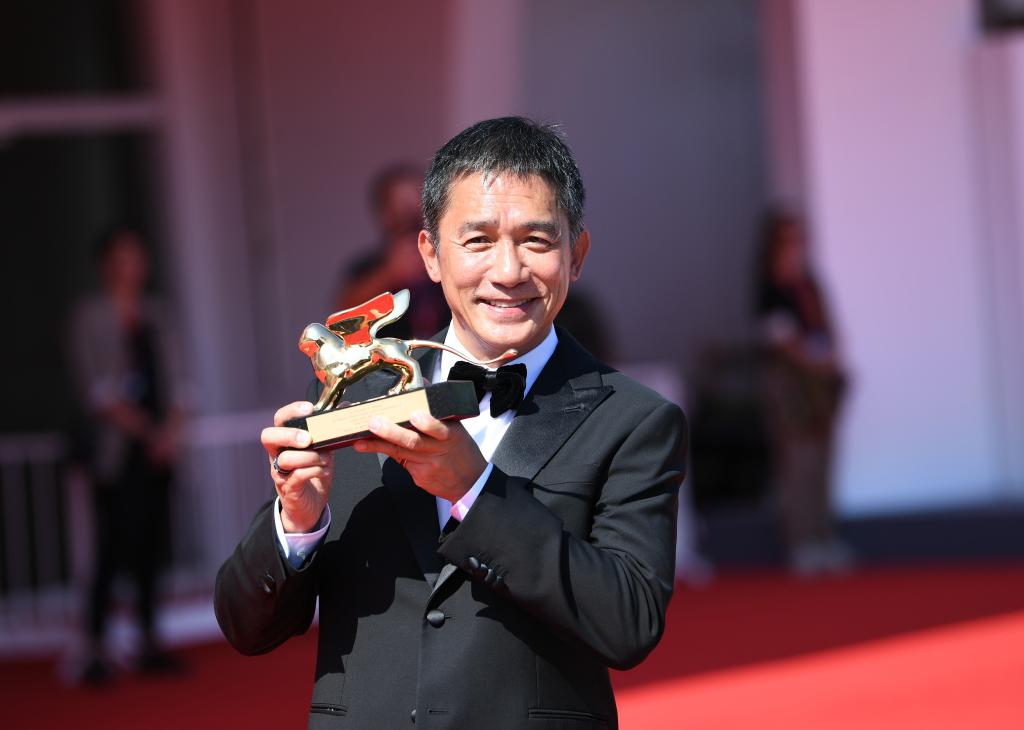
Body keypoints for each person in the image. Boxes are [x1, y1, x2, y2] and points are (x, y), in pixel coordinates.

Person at [215, 117, 687, 729]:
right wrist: (297, 524)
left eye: (536, 241)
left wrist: (476, 490)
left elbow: (629, 623)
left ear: (576, 256)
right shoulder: (356, 396)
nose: (509, 271)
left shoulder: (633, 421)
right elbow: (245, 627)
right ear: (430, 255)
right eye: (478, 241)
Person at [70, 227, 188, 683]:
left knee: (152, 545)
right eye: (121, 258)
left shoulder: (158, 313)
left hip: (158, 452)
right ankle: (95, 647)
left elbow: (180, 381)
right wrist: (148, 431)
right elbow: (96, 390)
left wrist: (169, 435)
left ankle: (148, 640)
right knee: (110, 547)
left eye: (136, 256)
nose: (131, 266)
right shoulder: (90, 316)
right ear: (105, 264)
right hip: (117, 453)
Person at [755, 210, 852, 576]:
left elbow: (827, 327)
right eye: (788, 240)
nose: (796, 248)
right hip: (790, 386)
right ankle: (802, 543)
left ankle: (825, 537)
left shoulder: (809, 282)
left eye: (800, 239)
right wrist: (812, 362)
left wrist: (831, 361)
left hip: (821, 384)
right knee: (799, 463)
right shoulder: (770, 288)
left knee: (825, 459)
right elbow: (779, 339)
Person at [334, 164, 449, 339]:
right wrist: (390, 274)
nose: (413, 209)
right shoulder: (369, 266)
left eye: (419, 199)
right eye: (402, 203)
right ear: (385, 213)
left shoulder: (449, 256)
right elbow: (343, 314)